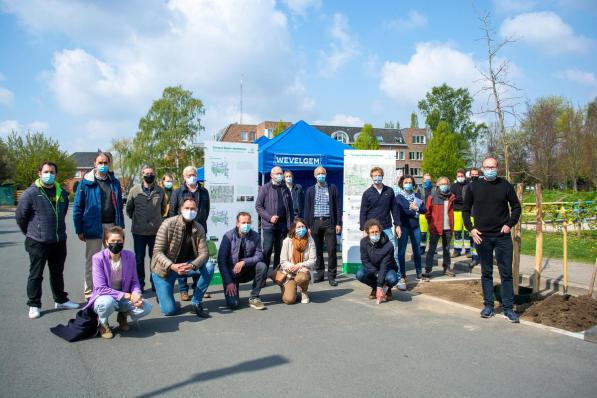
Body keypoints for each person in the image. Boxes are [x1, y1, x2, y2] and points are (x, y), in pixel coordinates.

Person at [16, 161, 79, 319]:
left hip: (58, 240)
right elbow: (20, 217)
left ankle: (60, 299)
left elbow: (62, 213)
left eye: (52, 172)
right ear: (39, 173)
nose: (49, 175)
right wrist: (32, 232)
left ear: (55, 175)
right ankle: (34, 304)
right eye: (46, 171)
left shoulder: (62, 193)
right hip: (38, 241)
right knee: (36, 274)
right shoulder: (31, 193)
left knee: (57, 272)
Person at [463, 157, 521, 323]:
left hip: (502, 236)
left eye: (493, 167)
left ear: (498, 168)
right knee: (486, 272)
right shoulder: (474, 186)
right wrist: (471, 229)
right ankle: (488, 305)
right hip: (482, 236)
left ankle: (508, 308)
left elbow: (516, 207)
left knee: (506, 273)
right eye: (487, 167)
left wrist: (510, 224)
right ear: (482, 168)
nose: (490, 170)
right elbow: (466, 210)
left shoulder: (505, 185)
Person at [73, 151, 125, 300]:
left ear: (109, 164)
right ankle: (90, 292)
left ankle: (113, 289)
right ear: (94, 164)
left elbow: (119, 205)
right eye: (100, 163)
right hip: (93, 227)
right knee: (92, 261)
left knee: (114, 259)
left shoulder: (114, 182)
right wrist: (79, 229)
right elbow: (77, 207)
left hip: (112, 226)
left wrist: (119, 225)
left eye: (106, 163)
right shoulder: (85, 183)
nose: (103, 165)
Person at [151, 197, 214, 318]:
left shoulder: (199, 228)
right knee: (169, 311)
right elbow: (157, 252)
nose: (190, 211)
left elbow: (204, 253)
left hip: (187, 266)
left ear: (197, 210)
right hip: (166, 269)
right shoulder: (167, 224)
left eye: (193, 208)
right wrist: (172, 266)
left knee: (209, 266)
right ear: (180, 209)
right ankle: (163, 296)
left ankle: (196, 302)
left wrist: (192, 265)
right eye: (187, 208)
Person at [85, 226, 152, 339]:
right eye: (112, 241)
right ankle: (103, 323)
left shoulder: (130, 256)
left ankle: (122, 315)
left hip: (123, 297)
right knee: (106, 304)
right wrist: (128, 296)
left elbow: (134, 281)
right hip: (105, 296)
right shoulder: (98, 258)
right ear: (106, 242)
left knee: (146, 307)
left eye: (119, 241)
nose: (116, 243)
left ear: (123, 241)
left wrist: (137, 295)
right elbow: (101, 288)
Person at [168, 166, 210, 301]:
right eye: (189, 175)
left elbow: (206, 210)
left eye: (194, 174)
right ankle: (183, 290)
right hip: (182, 230)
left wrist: (200, 222)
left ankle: (198, 287)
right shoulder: (177, 192)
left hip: (199, 230)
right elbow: (173, 212)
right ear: (184, 177)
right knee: (182, 259)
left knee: (199, 259)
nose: (192, 177)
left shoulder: (204, 192)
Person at [126, 166, 166, 292]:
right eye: (147, 173)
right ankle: (139, 284)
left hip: (155, 231)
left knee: (155, 259)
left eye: (151, 173)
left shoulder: (160, 191)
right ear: (142, 175)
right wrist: (138, 219)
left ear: (155, 175)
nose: (149, 175)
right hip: (139, 231)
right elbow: (129, 208)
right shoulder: (134, 190)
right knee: (139, 259)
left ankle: (155, 283)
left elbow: (163, 208)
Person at [359, 167, 402, 286]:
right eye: (374, 176)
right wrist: (364, 229)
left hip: (387, 227)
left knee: (394, 254)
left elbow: (394, 209)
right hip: (372, 230)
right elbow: (363, 212)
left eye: (379, 175)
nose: (377, 177)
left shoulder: (389, 191)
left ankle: (397, 280)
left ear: (382, 176)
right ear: (371, 177)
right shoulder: (367, 193)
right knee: (372, 255)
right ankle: (376, 280)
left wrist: (398, 225)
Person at [218, 212, 268, 310]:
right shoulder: (228, 236)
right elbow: (221, 261)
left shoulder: (256, 236)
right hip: (232, 274)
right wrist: (228, 282)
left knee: (262, 266)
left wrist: (244, 262)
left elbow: (259, 256)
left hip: (247, 271)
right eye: (243, 222)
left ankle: (254, 297)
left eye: (248, 222)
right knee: (234, 304)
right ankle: (232, 288)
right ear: (237, 223)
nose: (246, 225)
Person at [304, 166, 342, 286]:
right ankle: (320, 273)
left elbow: (337, 206)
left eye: (323, 173)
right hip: (315, 223)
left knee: (331, 250)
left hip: (329, 222)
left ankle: (331, 276)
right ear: (314, 175)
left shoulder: (332, 188)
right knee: (317, 250)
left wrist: (338, 223)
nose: (321, 175)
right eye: (318, 173)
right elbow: (307, 209)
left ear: (326, 174)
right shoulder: (310, 190)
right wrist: (307, 226)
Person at [255, 166, 293, 278]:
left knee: (280, 251)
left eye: (281, 173)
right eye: (277, 173)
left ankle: (276, 274)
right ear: (271, 175)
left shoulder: (285, 188)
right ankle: (263, 275)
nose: (279, 175)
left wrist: (290, 226)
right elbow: (258, 206)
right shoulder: (265, 188)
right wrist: (269, 217)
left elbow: (290, 208)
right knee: (267, 250)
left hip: (283, 226)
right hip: (269, 226)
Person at [273, 218, 315, 304]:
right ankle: (286, 286)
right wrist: (293, 267)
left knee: (302, 278)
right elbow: (283, 261)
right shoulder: (287, 241)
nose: (301, 229)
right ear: (293, 229)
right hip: (289, 273)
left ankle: (304, 291)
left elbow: (313, 260)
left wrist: (299, 265)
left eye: (303, 227)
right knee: (289, 300)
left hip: (302, 271)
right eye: (299, 227)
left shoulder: (310, 240)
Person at [356, 219, 398, 303]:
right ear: (368, 233)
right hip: (373, 268)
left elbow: (384, 265)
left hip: (387, 268)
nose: (375, 234)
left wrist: (380, 285)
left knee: (392, 279)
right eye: (372, 232)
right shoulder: (363, 242)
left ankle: (387, 289)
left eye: (377, 231)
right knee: (360, 274)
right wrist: (376, 273)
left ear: (380, 231)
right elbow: (365, 260)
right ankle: (374, 287)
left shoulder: (389, 245)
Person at [423, 177, 456, 280]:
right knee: (431, 250)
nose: (444, 186)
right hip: (435, 228)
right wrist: (432, 223)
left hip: (448, 228)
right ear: (437, 185)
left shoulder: (451, 197)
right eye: (442, 184)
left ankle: (446, 268)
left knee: (446, 249)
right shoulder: (432, 197)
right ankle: (428, 270)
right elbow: (427, 213)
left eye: (446, 184)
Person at [395, 175, 426, 281]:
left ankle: (419, 272)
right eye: (405, 182)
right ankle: (402, 274)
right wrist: (414, 211)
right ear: (402, 185)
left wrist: (416, 208)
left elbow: (424, 209)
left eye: (410, 182)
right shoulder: (399, 197)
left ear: (413, 184)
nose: (408, 184)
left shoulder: (417, 195)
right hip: (403, 227)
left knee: (417, 250)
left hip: (415, 226)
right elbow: (403, 211)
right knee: (401, 251)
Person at [450, 168, 470, 258]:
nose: (460, 177)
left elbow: (469, 198)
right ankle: (457, 250)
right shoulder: (453, 186)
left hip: (467, 211)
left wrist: (460, 199)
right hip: (456, 211)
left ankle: (468, 250)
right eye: (458, 176)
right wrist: (461, 198)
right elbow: (452, 198)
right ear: (456, 177)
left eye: (462, 176)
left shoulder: (469, 185)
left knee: (467, 232)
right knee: (457, 232)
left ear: (465, 176)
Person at [465, 168, 482, 266]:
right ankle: (474, 257)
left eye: (476, 174)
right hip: (471, 215)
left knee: (483, 237)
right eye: (473, 174)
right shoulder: (467, 187)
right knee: (473, 238)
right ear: (470, 175)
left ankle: (484, 257)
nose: (475, 176)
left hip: (481, 216)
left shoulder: (482, 186)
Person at [419, 173, 434, 255]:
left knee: (432, 232)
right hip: (423, 214)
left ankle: (432, 248)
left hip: (433, 214)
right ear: (423, 180)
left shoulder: (435, 189)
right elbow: (417, 201)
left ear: (431, 180)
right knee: (423, 233)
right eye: (426, 179)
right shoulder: (419, 189)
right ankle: (422, 248)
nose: (427, 181)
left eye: (429, 179)